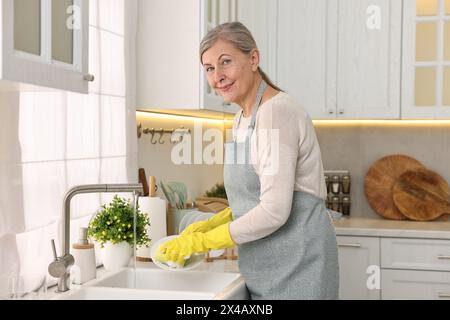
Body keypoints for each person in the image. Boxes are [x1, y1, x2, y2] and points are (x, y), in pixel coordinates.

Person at [157, 22, 339, 300]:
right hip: (264, 266)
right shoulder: (242, 118)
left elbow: (275, 211)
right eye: (209, 68)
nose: (217, 76)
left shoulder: (276, 112)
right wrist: (212, 223)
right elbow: (256, 198)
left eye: (225, 62)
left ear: (253, 59)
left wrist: (206, 240)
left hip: (299, 265)